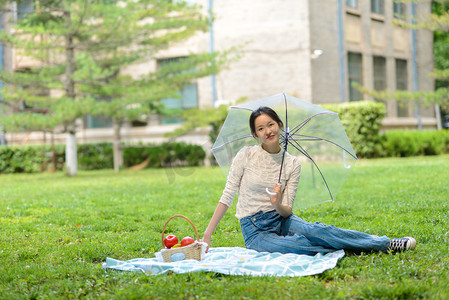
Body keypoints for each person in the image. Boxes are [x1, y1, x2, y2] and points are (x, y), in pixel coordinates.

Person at [202, 106, 416, 255]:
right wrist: (207, 233)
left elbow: (287, 211)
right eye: (260, 128)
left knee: (319, 231)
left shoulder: (292, 163)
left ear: (279, 124)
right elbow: (228, 195)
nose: (268, 131)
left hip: (281, 220)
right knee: (301, 248)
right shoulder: (246, 155)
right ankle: (355, 241)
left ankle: (384, 243)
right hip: (255, 230)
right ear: (255, 134)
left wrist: (277, 203)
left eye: (271, 124)